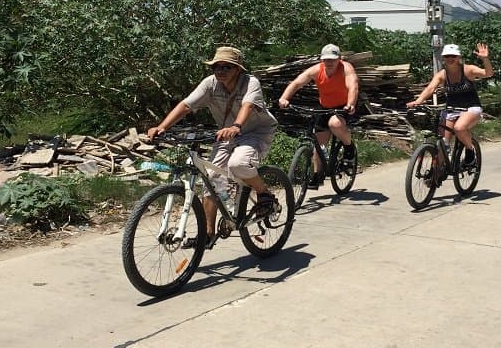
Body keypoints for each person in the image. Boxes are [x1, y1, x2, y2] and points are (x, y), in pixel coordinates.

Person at [147, 46, 278, 248]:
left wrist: (236, 126)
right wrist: (162, 127)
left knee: (238, 164)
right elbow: (186, 105)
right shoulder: (210, 84)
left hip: (256, 131)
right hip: (226, 133)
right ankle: (207, 234)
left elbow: (248, 106)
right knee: (211, 178)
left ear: (238, 69)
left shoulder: (250, 82)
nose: (220, 71)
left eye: (226, 67)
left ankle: (264, 194)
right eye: (216, 67)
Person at [278, 43, 359, 184]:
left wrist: (350, 104)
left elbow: (353, 86)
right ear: (322, 60)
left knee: (335, 124)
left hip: (343, 106)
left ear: (339, 59)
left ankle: (349, 147)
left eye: (332, 59)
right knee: (318, 144)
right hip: (324, 107)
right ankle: (317, 175)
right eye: (326, 59)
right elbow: (297, 83)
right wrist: (284, 98)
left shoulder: (346, 68)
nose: (329, 62)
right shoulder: (316, 70)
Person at [407, 43, 493, 166]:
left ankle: (470, 149)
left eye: (453, 56)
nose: (450, 58)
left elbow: (488, 73)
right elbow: (430, 88)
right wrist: (418, 101)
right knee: (443, 144)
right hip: (451, 109)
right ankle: (436, 173)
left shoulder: (468, 70)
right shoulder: (442, 74)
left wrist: (485, 59)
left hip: (471, 108)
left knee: (459, 128)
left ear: (458, 57)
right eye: (447, 56)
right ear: (443, 58)